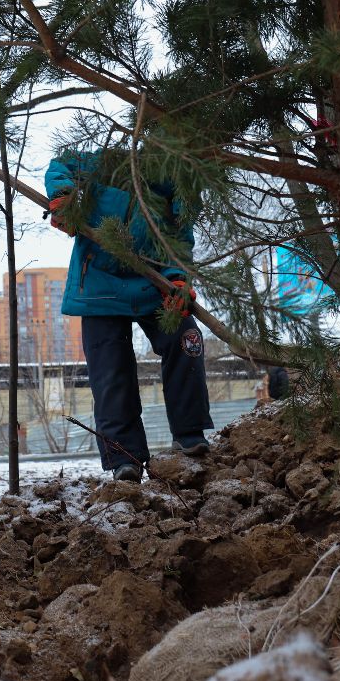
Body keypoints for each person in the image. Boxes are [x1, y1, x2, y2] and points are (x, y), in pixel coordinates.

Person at [44, 148, 213, 483]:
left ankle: (190, 435)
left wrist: (179, 278)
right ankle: (124, 458)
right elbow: (59, 165)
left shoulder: (178, 189)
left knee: (187, 340)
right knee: (111, 372)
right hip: (99, 289)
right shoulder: (107, 165)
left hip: (155, 281)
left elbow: (180, 240)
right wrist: (64, 197)